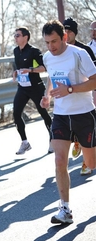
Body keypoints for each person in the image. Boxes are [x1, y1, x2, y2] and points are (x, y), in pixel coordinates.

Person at [40, 19, 96, 224]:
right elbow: (51, 77)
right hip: (61, 116)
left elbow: (95, 80)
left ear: (64, 37)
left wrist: (70, 89)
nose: (51, 47)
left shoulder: (79, 54)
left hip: (84, 114)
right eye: (47, 42)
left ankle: (83, 145)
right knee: (59, 161)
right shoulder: (47, 57)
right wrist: (48, 96)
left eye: (54, 41)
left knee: (91, 164)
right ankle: (65, 209)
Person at [12, 27, 53, 155]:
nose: (15, 37)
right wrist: (15, 72)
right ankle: (25, 142)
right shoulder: (16, 51)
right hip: (23, 87)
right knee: (16, 113)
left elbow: (43, 67)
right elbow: (18, 67)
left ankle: (53, 140)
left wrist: (30, 70)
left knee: (44, 114)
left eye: (18, 35)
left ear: (25, 37)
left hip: (36, 87)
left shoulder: (34, 51)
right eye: (15, 35)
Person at [64, 17, 96, 175]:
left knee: (87, 128)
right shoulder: (58, 53)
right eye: (64, 31)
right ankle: (76, 141)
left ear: (74, 33)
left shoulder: (84, 51)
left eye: (69, 31)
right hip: (67, 98)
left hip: (86, 96)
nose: (66, 34)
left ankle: (86, 163)